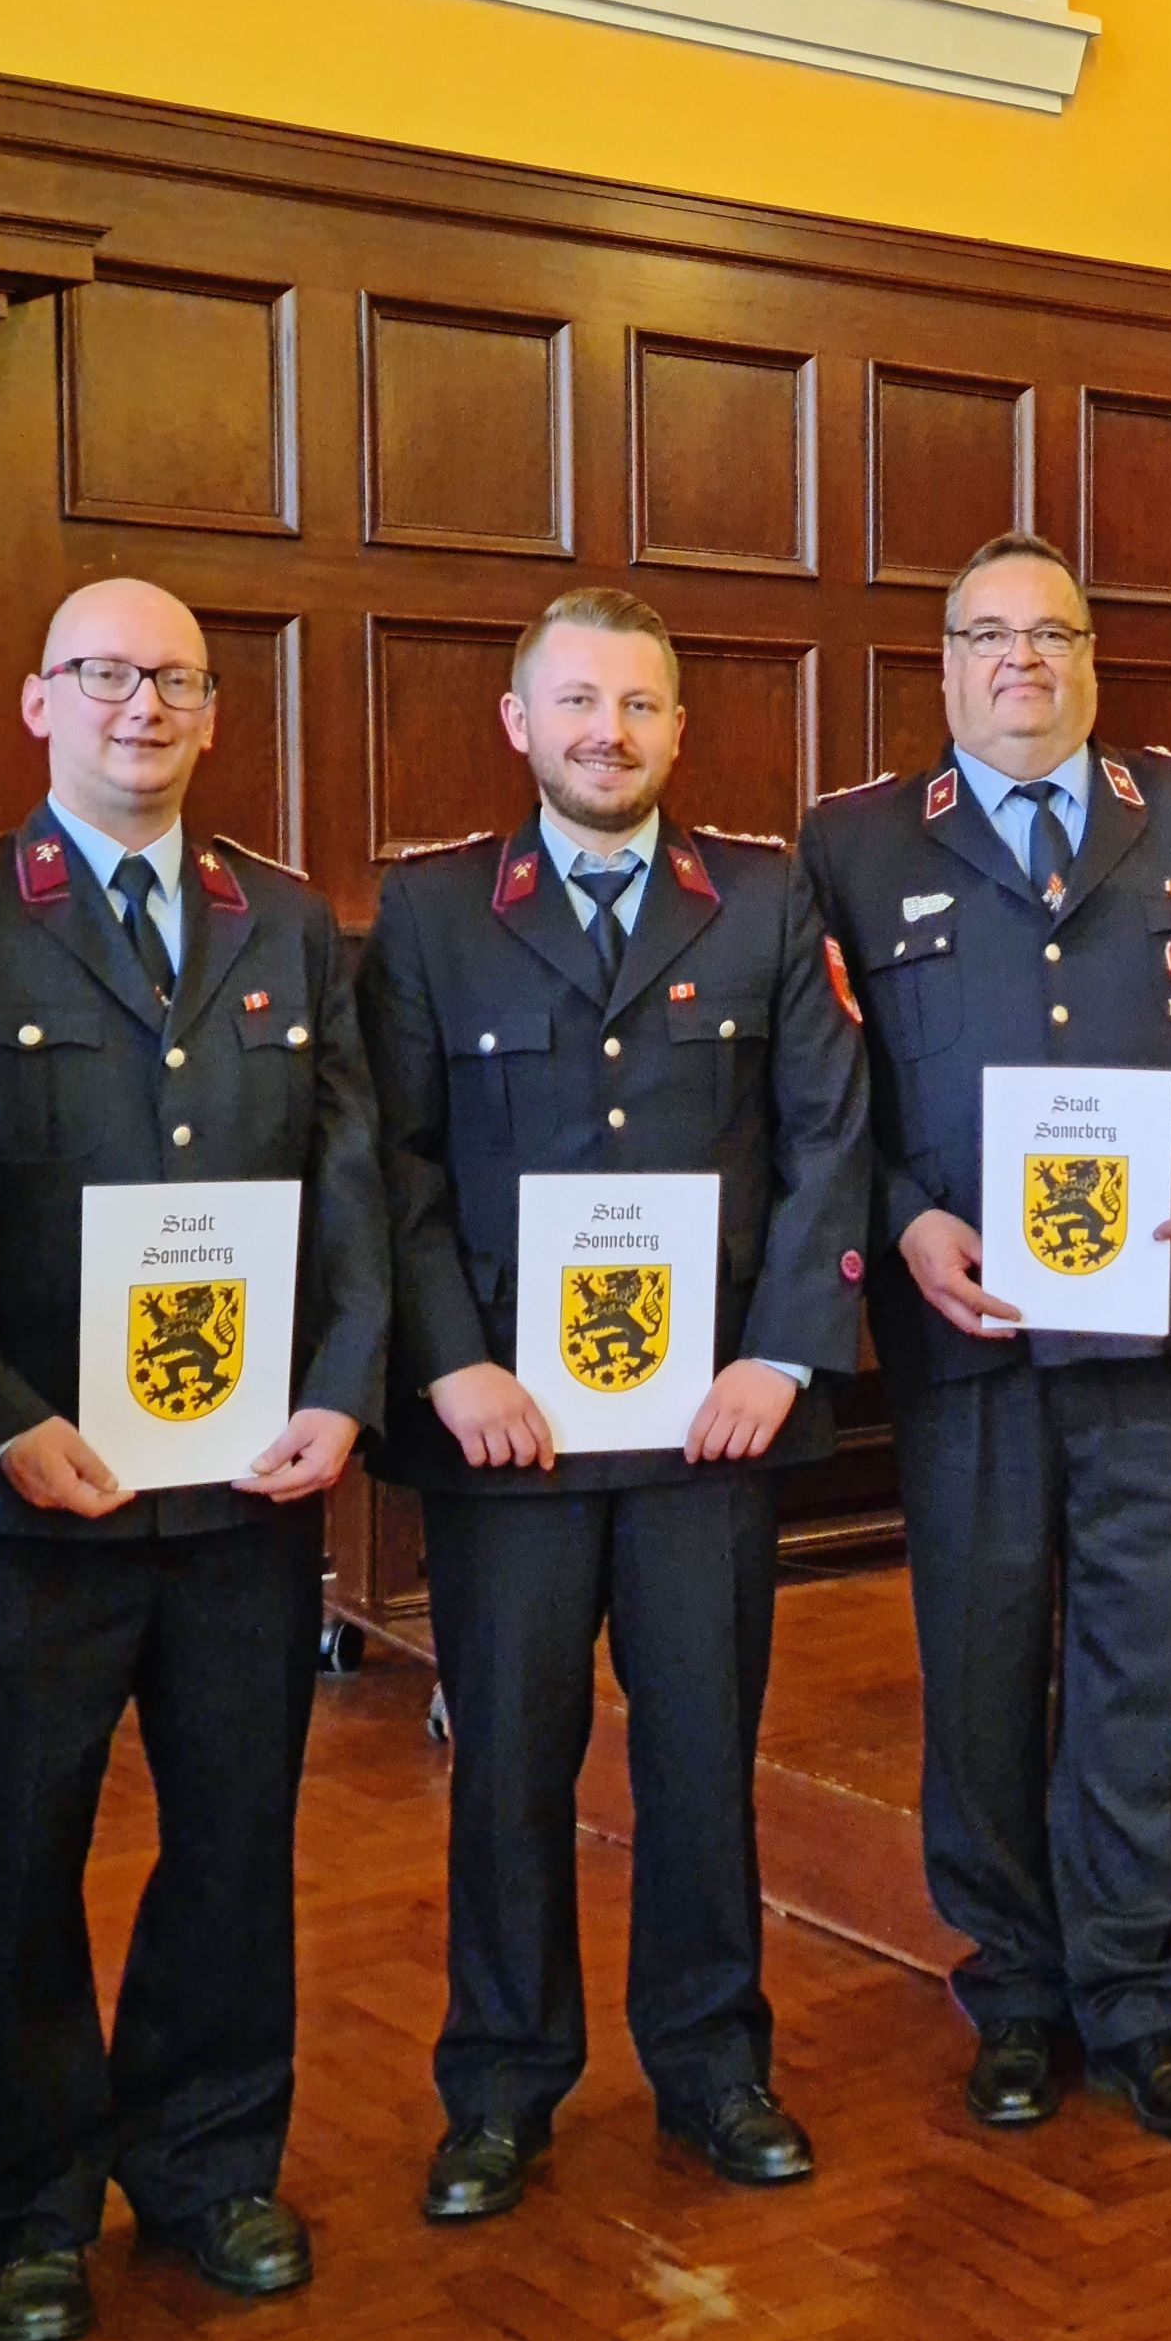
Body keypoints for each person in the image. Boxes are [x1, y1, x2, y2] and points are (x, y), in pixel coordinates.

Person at [0, 577, 386, 2341]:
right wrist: (0, 1417)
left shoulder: (292, 922)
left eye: (173, 678)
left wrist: (338, 1386)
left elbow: (352, 1183)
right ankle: (24, 2204)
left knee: (236, 1835)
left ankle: (210, 2160)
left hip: (243, 1487)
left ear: (214, 710)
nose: (139, 706)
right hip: (25, 1489)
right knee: (12, 1854)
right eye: (103, 675)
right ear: (38, 703)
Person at [800, 531, 1171, 2144]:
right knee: (979, 1662)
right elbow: (822, 1094)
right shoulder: (855, 842)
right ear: (946, 665)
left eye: (1051, 635)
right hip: (966, 1334)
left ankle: (1132, 1994)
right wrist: (903, 1213)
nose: (1021, 661)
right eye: (987, 636)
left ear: (1093, 658)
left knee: (1133, 1661)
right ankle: (1015, 1991)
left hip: (1155, 1328)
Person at [364, 587, 871, 2219]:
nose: (608, 731)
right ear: (520, 723)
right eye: (576, 702)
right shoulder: (434, 914)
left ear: (677, 728)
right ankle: (501, 2085)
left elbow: (828, 1141)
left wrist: (780, 1355)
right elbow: (397, 1161)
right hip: (508, 1427)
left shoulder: (765, 905)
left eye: (640, 704)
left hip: (705, 1427)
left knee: (703, 1756)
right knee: (509, 1757)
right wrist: (449, 1361)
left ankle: (715, 2064)